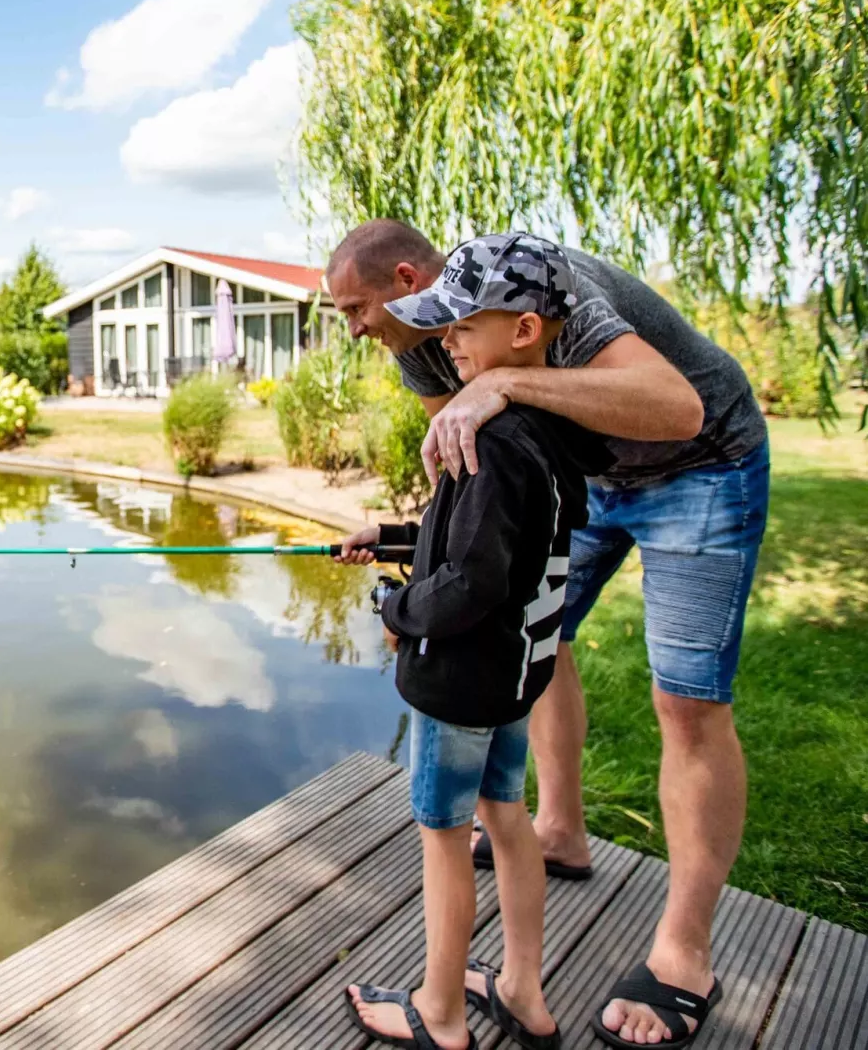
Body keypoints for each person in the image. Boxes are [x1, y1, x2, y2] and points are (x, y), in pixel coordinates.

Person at [326, 219, 768, 1049]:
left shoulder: (546, 289)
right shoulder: (428, 342)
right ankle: (557, 830)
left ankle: (685, 953)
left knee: (687, 702)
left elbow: (677, 407)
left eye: (356, 308)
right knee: (543, 636)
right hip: (581, 477)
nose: (355, 329)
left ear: (406, 279)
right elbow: (470, 482)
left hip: (700, 462)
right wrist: (400, 536)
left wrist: (512, 389)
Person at [340, 233, 605, 1050]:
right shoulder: (547, 432)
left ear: (523, 331)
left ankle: (441, 1011)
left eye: (463, 324)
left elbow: (469, 584)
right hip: (515, 676)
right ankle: (524, 990)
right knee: (509, 816)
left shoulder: (485, 438)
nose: (445, 339)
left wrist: (396, 610)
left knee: (445, 839)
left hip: (459, 683)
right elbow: (488, 543)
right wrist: (390, 534)